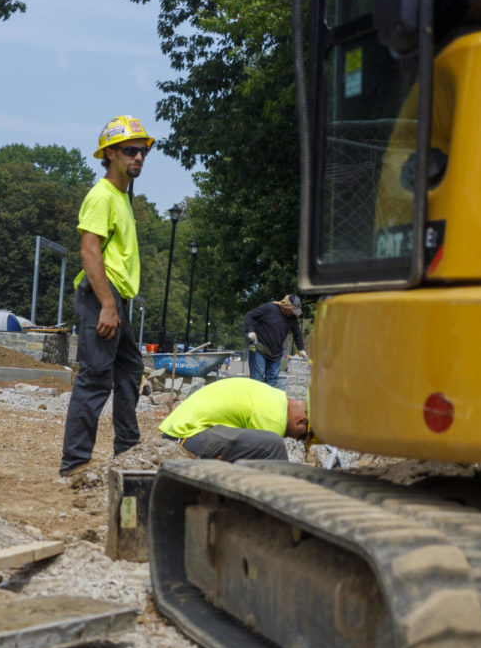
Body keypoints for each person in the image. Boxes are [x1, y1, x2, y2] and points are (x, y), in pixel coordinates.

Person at [60, 115, 154, 476]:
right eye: (131, 151)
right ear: (110, 153)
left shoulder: (122, 197)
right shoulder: (101, 196)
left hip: (117, 299)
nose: (139, 158)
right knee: (95, 379)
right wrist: (108, 305)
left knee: (130, 371)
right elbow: (89, 252)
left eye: (143, 152)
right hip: (103, 297)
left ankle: (128, 453)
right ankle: (75, 465)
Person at [158, 377, 310, 461]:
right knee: (274, 445)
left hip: (183, 430)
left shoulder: (277, 398)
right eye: (302, 436)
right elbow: (265, 467)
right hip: (186, 435)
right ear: (302, 420)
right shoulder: (275, 418)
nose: (297, 439)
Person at [244, 294, 306, 389]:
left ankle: (267, 403)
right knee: (258, 379)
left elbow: (297, 334)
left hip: (276, 353)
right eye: (292, 310)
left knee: (272, 381)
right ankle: (255, 402)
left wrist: (301, 349)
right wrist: (250, 330)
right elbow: (249, 315)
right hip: (258, 346)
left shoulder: (293, 319)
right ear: (286, 306)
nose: (293, 313)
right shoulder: (269, 308)